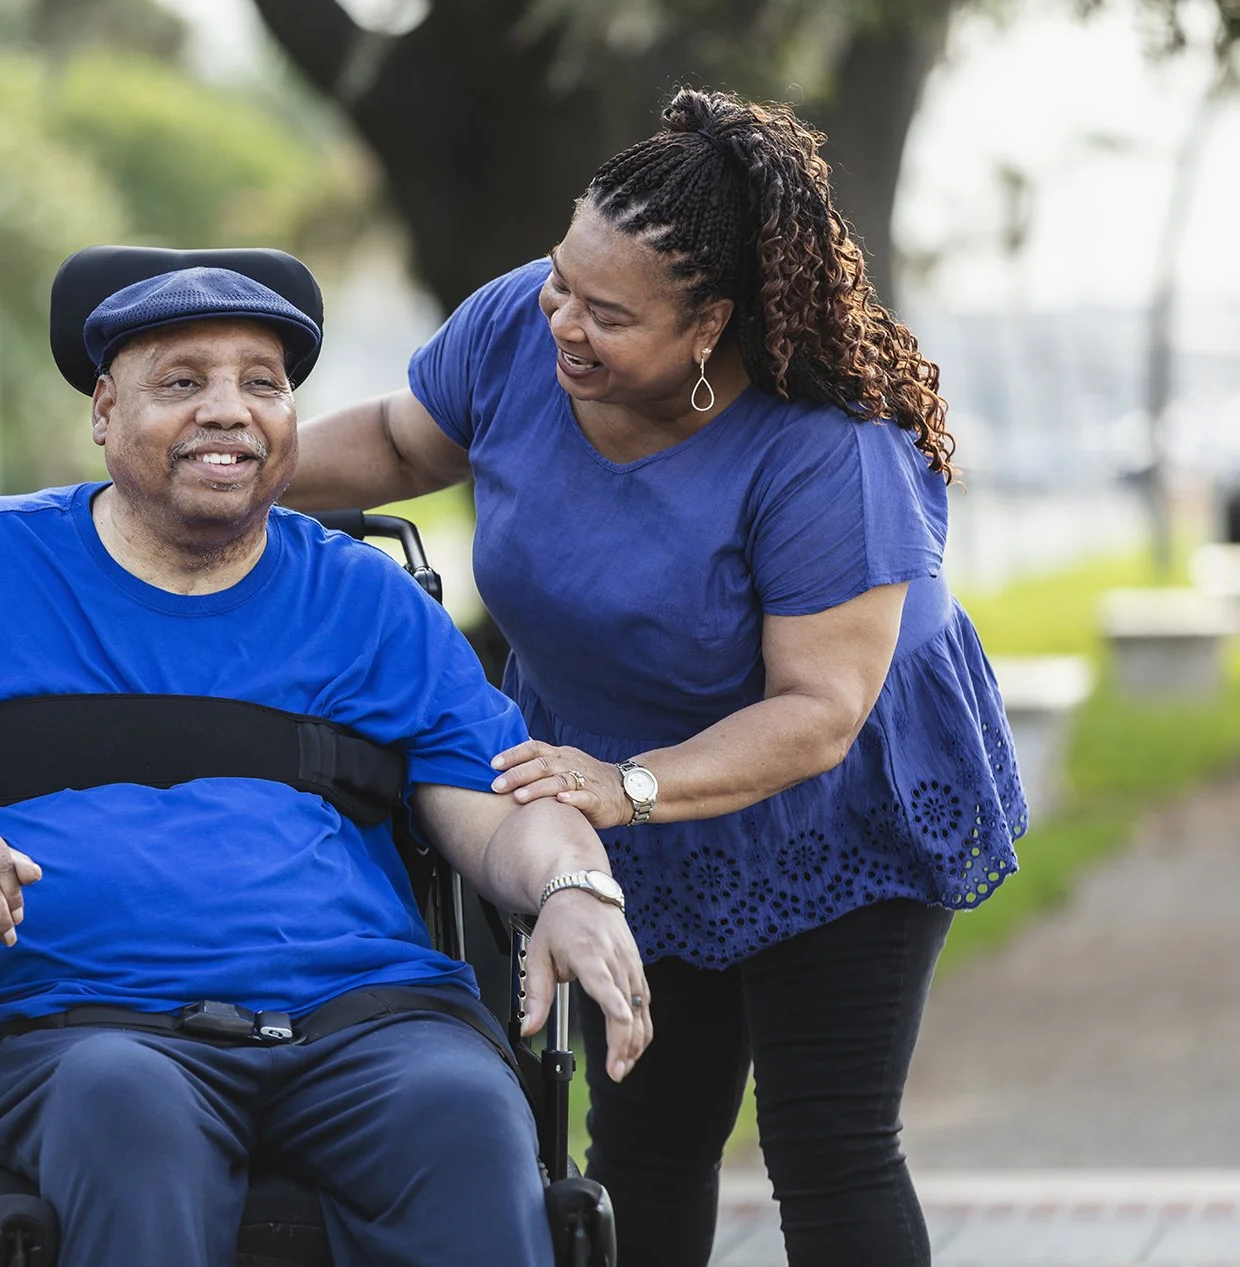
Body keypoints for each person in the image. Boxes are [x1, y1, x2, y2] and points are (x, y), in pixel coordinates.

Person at [0, 248, 654, 1267]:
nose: (230, 410)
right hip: (79, 1030)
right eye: (183, 382)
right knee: (129, 1110)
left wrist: (573, 880)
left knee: (465, 1107)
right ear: (104, 410)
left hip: (367, 1020)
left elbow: (502, 808)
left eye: (262, 384)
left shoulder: (365, 603)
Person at [285, 88, 1030, 1267]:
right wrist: (233, 466)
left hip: (831, 803)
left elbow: (816, 710)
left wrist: (621, 786)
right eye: (559, 281)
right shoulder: (522, 334)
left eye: (607, 313)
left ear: (708, 325)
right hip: (618, 785)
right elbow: (399, 438)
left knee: (825, 1139)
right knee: (644, 1136)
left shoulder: (828, 449)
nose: (562, 322)